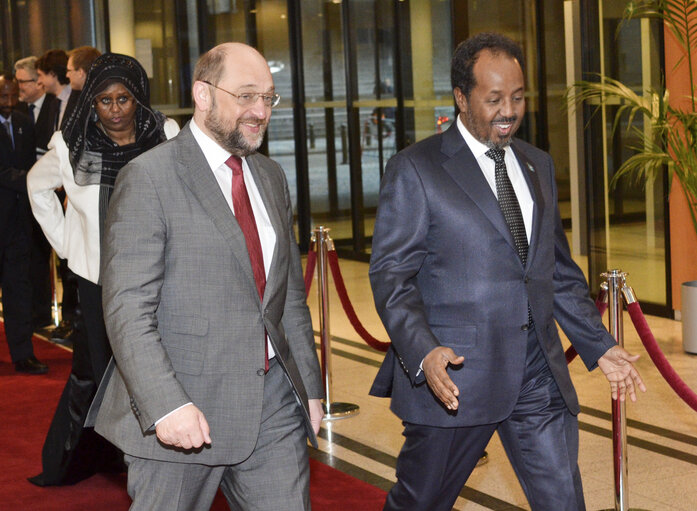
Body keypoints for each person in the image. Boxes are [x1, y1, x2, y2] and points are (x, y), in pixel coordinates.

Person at [368, 32, 646, 511]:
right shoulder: (417, 169)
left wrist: (600, 346)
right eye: (494, 99)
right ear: (461, 97)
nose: (509, 111)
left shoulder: (537, 164)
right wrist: (424, 351)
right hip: (454, 379)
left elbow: (554, 272)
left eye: (517, 97)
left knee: (563, 501)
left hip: (536, 371)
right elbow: (391, 275)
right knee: (421, 502)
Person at [92, 42, 324, 510]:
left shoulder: (271, 177)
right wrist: (166, 405)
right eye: (245, 95)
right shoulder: (150, 177)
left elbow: (288, 298)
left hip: (272, 402)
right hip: (183, 408)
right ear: (203, 94)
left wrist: (310, 389)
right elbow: (127, 309)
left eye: (269, 97)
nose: (260, 111)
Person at [26, 53, 180, 486]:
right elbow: (37, 188)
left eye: (124, 99)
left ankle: (156, 459)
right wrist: (67, 245)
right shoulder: (69, 143)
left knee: (155, 366)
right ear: (91, 102)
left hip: (158, 277)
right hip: (98, 280)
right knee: (99, 370)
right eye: (104, 100)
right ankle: (99, 455)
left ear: (139, 99)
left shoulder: (165, 134)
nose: (114, 109)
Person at [0, 73, 48, 374]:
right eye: (3, 95)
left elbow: (33, 161)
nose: (7, 100)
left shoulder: (23, 122)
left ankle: (23, 353)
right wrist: (34, 181)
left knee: (19, 289)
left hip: (19, 223)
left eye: (11, 94)